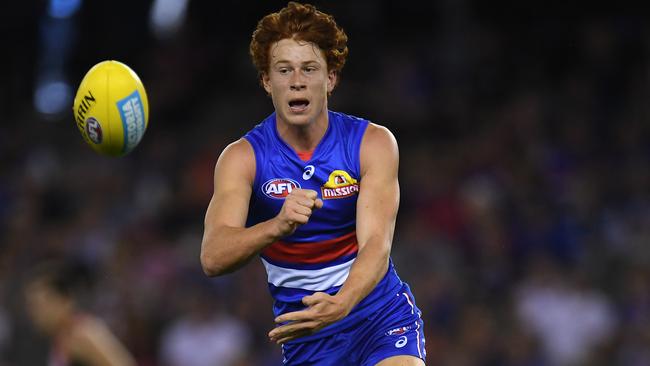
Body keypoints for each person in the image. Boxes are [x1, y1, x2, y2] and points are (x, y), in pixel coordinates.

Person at [200, 2, 426, 365]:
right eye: (284, 70)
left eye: (309, 69)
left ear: (331, 78)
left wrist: (342, 303)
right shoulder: (242, 159)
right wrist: (276, 226)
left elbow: (376, 245)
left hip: (378, 317)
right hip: (309, 339)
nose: (297, 81)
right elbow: (212, 256)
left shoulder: (373, 143)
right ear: (266, 81)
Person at [24, 261, 136, 366]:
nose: (35, 313)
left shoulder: (82, 334)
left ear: (65, 300)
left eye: (41, 304)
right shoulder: (62, 338)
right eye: (31, 305)